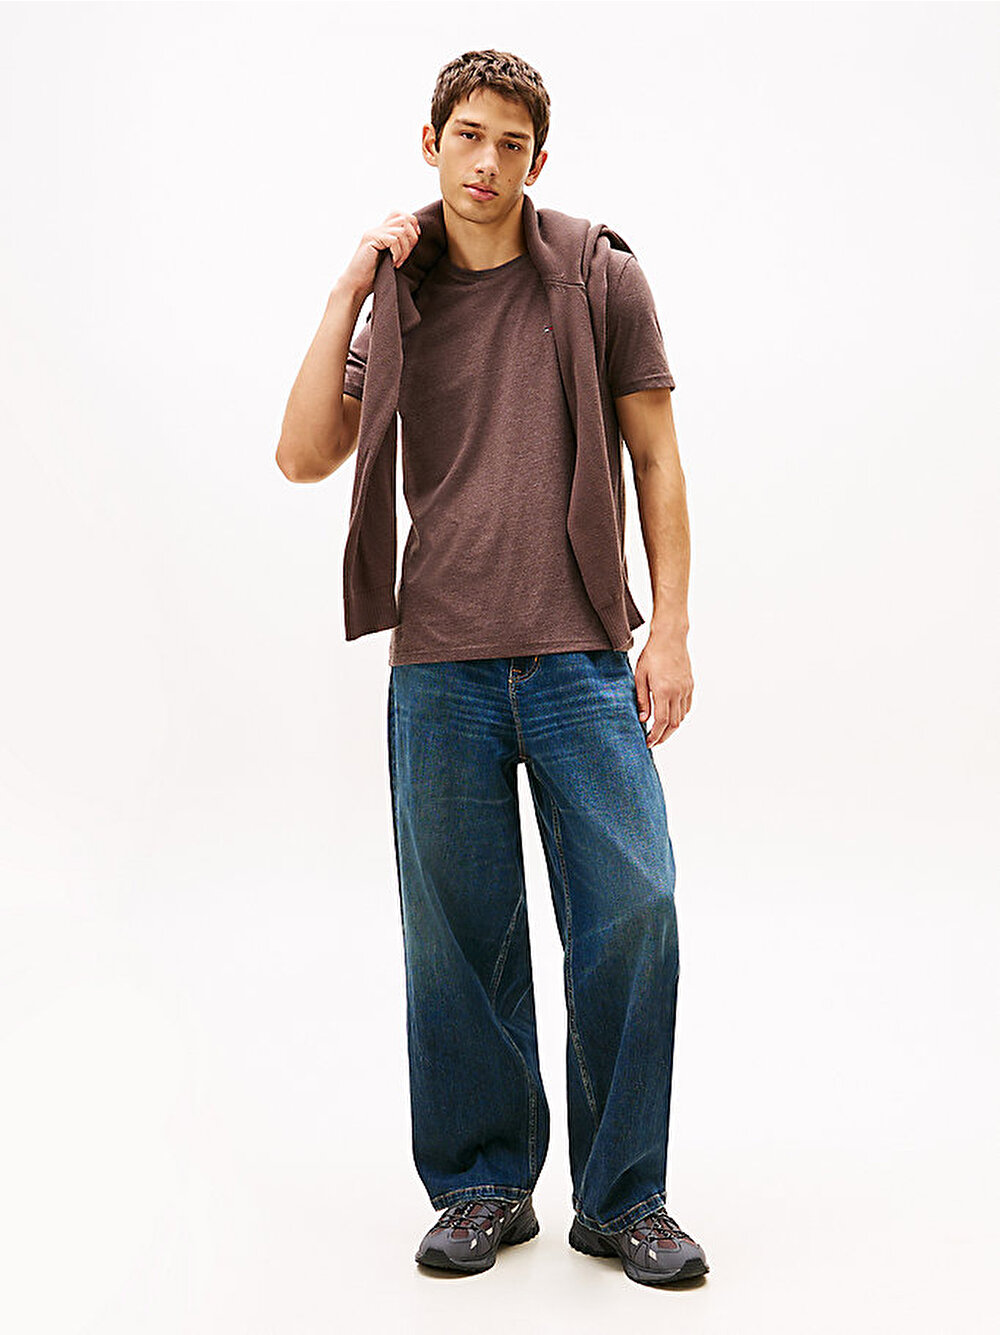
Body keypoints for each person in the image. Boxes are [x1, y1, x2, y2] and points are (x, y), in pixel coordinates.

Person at [275, 48, 708, 1289]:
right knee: (456, 936)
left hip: (580, 656)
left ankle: (623, 1200)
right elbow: (303, 455)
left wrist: (670, 630)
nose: (486, 162)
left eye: (510, 144)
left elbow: (658, 458)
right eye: (467, 135)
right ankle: (481, 1186)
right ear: (431, 143)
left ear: (537, 160)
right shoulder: (398, 299)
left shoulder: (598, 275)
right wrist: (345, 288)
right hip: (441, 666)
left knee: (634, 909)